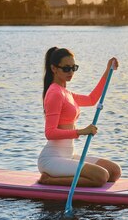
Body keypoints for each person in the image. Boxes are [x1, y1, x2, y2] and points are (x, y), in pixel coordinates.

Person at [38, 47, 121, 187]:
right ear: (54, 68)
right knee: (101, 177)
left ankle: (64, 176)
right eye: (66, 68)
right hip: (52, 159)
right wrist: (81, 132)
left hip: (68, 155)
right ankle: (49, 180)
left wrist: (108, 71)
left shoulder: (66, 93)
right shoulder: (54, 93)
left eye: (73, 68)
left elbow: (91, 99)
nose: (71, 72)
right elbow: (50, 133)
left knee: (114, 171)